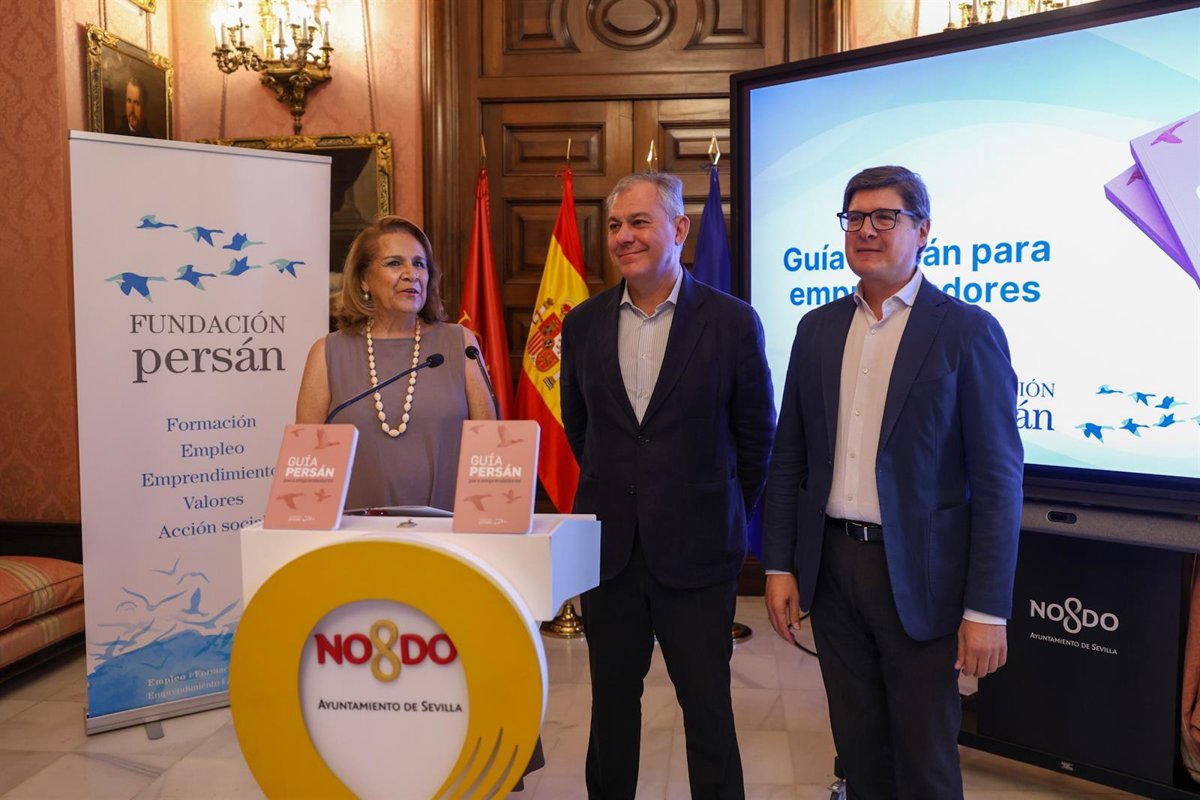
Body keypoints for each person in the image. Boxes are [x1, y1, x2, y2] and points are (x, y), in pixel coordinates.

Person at [761, 165, 1023, 798]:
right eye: (854, 218)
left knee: (925, 759)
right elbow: (790, 457)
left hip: (921, 577)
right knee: (858, 752)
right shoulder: (817, 328)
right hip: (832, 569)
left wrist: (986, 609)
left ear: (923, 231)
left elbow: (998, 481)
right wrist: (779, 565)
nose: (866, 230)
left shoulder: (966, 330)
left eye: (885, 217)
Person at [560, 172, 776, 800]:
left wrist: (717, 508)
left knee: (708, 709)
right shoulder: (583, 324)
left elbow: (755, 440)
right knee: (611, 710)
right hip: (611, 554)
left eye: (639, 222)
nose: (624, 237)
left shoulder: (733, 322)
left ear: (679, 229)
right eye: (614, 226)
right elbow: (581, 430)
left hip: (700, 552)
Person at [296, 216, 496, 510]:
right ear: (364, 279)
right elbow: (307, 461)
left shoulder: (460, 343)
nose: (411, 274)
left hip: (449, 528)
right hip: (356, 529)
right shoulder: (327, 352)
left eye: (419, 264)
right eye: (394, 263)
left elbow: (489, 447)